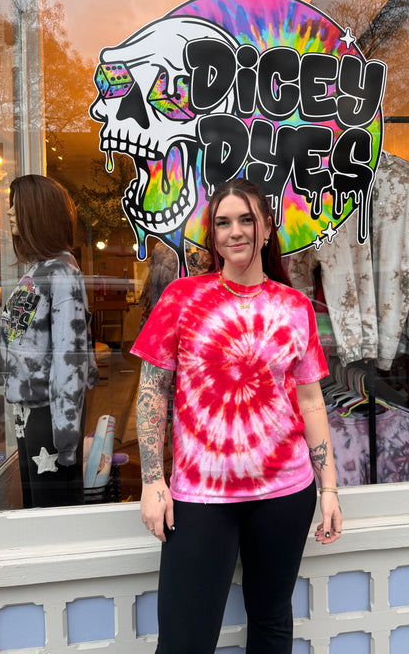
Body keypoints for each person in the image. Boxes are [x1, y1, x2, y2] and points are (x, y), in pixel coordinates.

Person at [132, 178, 342, 654]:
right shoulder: (182, 298)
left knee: (271, 622)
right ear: (213, 235)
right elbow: (152, 391)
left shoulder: (295, 306)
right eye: (223, 222)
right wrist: (152, 480)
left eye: (247, 219)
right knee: (184, 641)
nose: (236, 232)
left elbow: (310, 399)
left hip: (284, 492)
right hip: (200, 496)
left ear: (267, 227)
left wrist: (328, 487)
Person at [0, 174, 99, 508]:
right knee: (36, 508)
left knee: (51, 511)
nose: (9, 213)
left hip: (50, 416)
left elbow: (70, 357)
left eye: (17, 206)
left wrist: (66, 438)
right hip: (31, 411)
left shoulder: (61, 273)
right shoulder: (39, 270)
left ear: (37, 214)